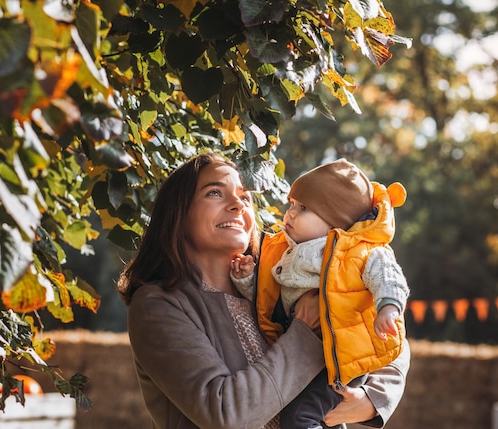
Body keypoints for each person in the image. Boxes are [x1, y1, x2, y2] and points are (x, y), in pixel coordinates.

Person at [118, 152, 410, 429]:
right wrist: (305, 333)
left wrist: (375, 399)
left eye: (244, 196)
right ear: (178, 213)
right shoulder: (158, 305)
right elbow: (224, 414)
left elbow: (380, 327)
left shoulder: (279, 273)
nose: (238, 205)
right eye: (215, 192)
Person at [230, 159, 410, 429]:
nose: (289, 214)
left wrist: (388, 307)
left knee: (302, 417)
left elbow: (389, 276)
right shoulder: (286, 250)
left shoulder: (360, 252)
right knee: (315, 417)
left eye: (303, 208)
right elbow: (269, 295)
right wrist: (246, 280)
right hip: (308, 350)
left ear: (335, 220)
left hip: (339, 358)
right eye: (291, 204)